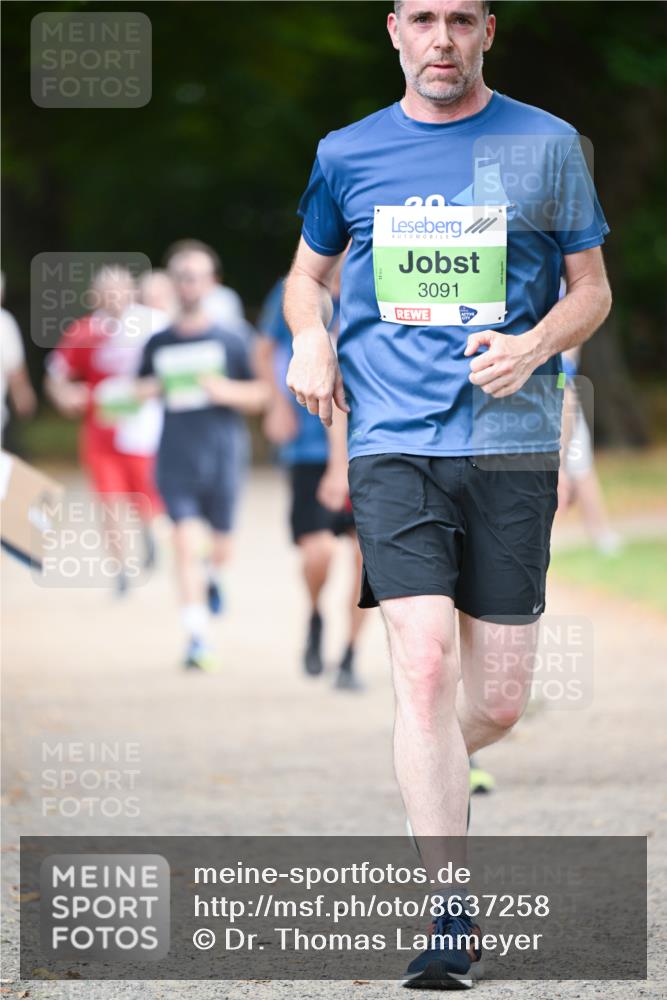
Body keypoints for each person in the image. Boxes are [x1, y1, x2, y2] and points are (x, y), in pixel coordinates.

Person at [283, 0, 611, 988]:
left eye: (460, 20)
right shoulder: (348, 153)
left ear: (486, 33)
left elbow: (589, 290)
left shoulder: (546, 143)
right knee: (420, 670)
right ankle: (449, 915)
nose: (440, 39)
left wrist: (533, 344)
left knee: (498, 700)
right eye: (422, 18)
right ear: (392, 30)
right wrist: (308, 331)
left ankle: (423, 759)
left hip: (509, 442)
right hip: (391, 439)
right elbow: (307, 279)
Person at [137, 244, 269, 672]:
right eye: (180, 275)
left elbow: (264, 394)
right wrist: (150, 390)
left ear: (212, 282)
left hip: (223, 457)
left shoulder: (234, 339)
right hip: (175, 457)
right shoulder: (158, 342)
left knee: (220, 549)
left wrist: (224, 391)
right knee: (183, 543)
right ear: (171, 283)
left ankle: (214, 577)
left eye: (195, 275)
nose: (187, 283)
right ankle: (197, 638)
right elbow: (135, 390)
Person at [255, 270, 367, 690]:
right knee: (318, 552)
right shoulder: (296, 290)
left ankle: (351, 656)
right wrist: (276, 404)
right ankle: (316, 613)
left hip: (368, 449)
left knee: (365, 560)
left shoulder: (378, 282)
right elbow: (263, 349)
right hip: (307, 447)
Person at [46, 266, 167, 591]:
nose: (115, 297)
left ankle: (147, 535)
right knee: (109, 501)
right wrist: (65, 394)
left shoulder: (151, 325)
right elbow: (56, 376)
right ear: (94, 296)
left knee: (146, 499)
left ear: (132, 292)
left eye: (121, 289)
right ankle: (120, 571)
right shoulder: (84, 332)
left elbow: (170, 369)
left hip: (142, 431)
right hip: (100, 432)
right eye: (107, 291)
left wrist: (150, 390)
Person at [163, 239, 252, 338]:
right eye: (179, 277)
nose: (185, 285)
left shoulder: (224, 301)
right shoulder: (159, 335)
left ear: (212, 280)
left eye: (192, 279)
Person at [1, 273, 37, 437]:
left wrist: (22, 393)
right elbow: (14, 367)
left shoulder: (4, 323)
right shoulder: (4, 322)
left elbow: (13, 366)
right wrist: (22, 393)